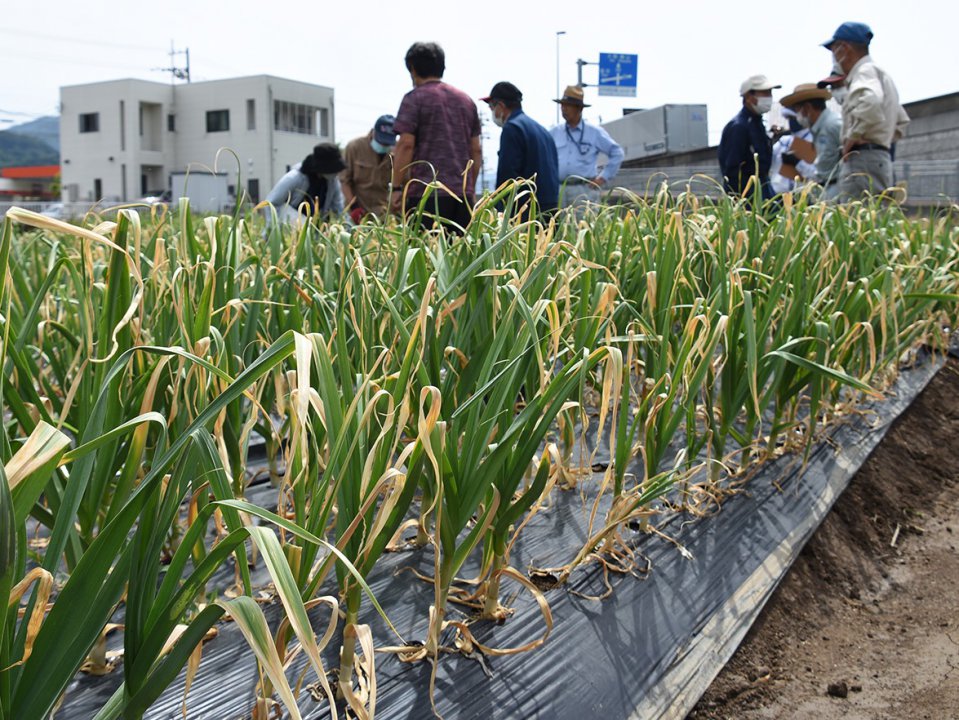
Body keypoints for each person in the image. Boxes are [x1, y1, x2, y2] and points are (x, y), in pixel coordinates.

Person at [391, 42, 482, 232]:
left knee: (424, 257)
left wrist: (397, 188)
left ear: (413, 69)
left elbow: (406, 145)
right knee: (460, 258)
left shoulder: (414, 98)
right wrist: (468, 188)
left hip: (425, 195)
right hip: (462, 197)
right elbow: (476, 149)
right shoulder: (466, 101)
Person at [822, 21, 909, 200]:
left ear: (844, 48)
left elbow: (871, 102)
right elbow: (901, 120)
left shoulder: (864, 72)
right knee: (874, 219)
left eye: (834, 50)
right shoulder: (881, 74)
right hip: (879, 157)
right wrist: (881, 139)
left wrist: (851, 141)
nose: (834, 57)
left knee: (854, 221)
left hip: (862, 158)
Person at [481, 81, 559, 216]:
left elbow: (507, 176)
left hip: (525, 209)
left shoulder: (512, 128)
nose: (492, 112)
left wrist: (501, 209)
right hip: (549, 207)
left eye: (491, 107)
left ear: (500, 105)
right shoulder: (542, 131)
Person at [550, 85, 624, 208]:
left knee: (583, 225)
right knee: (558, 225)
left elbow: (617, 153)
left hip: (584, 190)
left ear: (579, 108)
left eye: (568, 105)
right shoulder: (554, 132)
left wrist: (602, 178)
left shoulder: (594, 132)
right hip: (559, 189)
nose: (563, 109)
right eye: (562, 105)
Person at [718, 75, 782, 203]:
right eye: (764, 93)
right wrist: (741, 204)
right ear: (748, 97)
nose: (769, 97)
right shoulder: (739, 127)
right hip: (748, 197)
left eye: (770, 93)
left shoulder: (757, 123)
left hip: (763, 189)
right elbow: (732, 171)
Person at [781, 83, 844, 198]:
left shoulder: (832, 125)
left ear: (808, 108)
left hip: (838, 189)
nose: (797, 115)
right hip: (828, 189)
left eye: (797, 110)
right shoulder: (819, 128)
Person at [264, 143, 345, 229]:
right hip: (291, 222)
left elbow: (338, 209)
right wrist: (271, 229)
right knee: (305, 227)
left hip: (315, 224)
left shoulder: (332, 181)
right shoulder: (294, 177)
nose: (336, 173)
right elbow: (271, 203)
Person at [340, 115, 397, 222]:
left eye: (387, 143)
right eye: (382, 141)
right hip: (356, 210)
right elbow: (344, 181)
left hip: (381, 213)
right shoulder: (354, 147)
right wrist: (354, 207)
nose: (383, 145)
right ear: (373, 132)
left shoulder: (394, 153)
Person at [769, 108, 816, 195]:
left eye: (793, 119)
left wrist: (797, 162)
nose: (791, 122)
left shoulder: (814, 141)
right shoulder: (784, 141)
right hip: (778, 194)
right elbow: (769, 160)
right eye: (789, 119)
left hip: (801, 195)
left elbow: (815, 174)